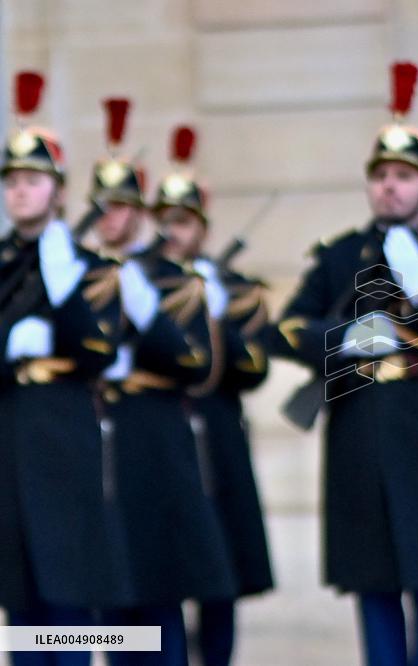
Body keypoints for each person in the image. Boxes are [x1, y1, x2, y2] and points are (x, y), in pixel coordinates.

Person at [269, 61, 418, 666]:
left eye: (404, 176)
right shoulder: (341, 255)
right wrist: (352, 336)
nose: (391, 187)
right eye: (381, 177)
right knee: (373, 590)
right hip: (360, 432)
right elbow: (288, 330)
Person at [0, 70, 132, 666]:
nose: (20, 192)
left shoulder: (89, 267)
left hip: (64, 439)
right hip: (10, 439)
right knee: (19, 600)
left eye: (33, 181)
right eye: (12, 182)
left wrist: (64, 289)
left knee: (68, 596)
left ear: (57, 191)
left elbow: (102, 351)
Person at [96, 123, 237, 666]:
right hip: (99, 438)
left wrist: (148, 315)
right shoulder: (78, 272)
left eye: (121, 206)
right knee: (109, 596)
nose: (111, 218)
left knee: (159, 593)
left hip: (154, 438)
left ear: (138, 212)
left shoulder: (177, 280)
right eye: (102, 207)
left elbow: (197, 364)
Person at [157, 162, 275, 665]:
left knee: (221, 569)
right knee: (162, 569)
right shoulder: (141, 282)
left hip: (219, 436)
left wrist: (217, 312)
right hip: (162, 438)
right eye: (163, 219)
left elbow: (253, 367)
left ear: (202, 228)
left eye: (183, 221)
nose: (172, 232)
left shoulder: (236, 288)